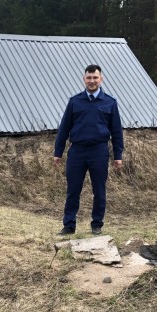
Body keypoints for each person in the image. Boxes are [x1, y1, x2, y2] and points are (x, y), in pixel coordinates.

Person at [53, 64, 124, 236]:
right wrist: (58, 152)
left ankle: (97, 224)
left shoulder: (110, 102)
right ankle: (69, 225)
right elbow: (64, 128)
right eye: (89, 78)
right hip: (77, 151)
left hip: (99, 151)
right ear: (84, 79)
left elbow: (116, 131)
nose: (92, 81)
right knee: (73, 190)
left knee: (99, 190)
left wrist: (118, 155)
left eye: (95, 77)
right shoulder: (74, 102)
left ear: (101, 79)